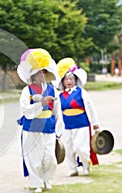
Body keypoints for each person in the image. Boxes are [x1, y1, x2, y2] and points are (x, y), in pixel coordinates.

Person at [17, 48, 64, 193]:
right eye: (38, 73)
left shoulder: (53, 90)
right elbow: (25, 110)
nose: (41, 75)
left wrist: (59, 127)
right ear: (33, 75)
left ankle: (47, 179)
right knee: (33, 157)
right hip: (31, 127)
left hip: (48, 127)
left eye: (43, 72)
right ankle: (36, 182)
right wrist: (40, 104)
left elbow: (57, 111)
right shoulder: (27, 91)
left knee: (50, 156)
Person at [56, 57, 99, 177]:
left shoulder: (81, 92)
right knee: (68, 149)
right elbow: (58, 113)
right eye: (66, 79)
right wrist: (57, 128)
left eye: (71, 79)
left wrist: (95, 122)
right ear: (63, 81)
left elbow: (90, 107)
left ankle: (86, 165)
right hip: (67, 124)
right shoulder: (59, 96)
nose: (69, 81)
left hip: (81, 123)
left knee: (81, 147)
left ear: (75, 80)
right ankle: (73, 169)